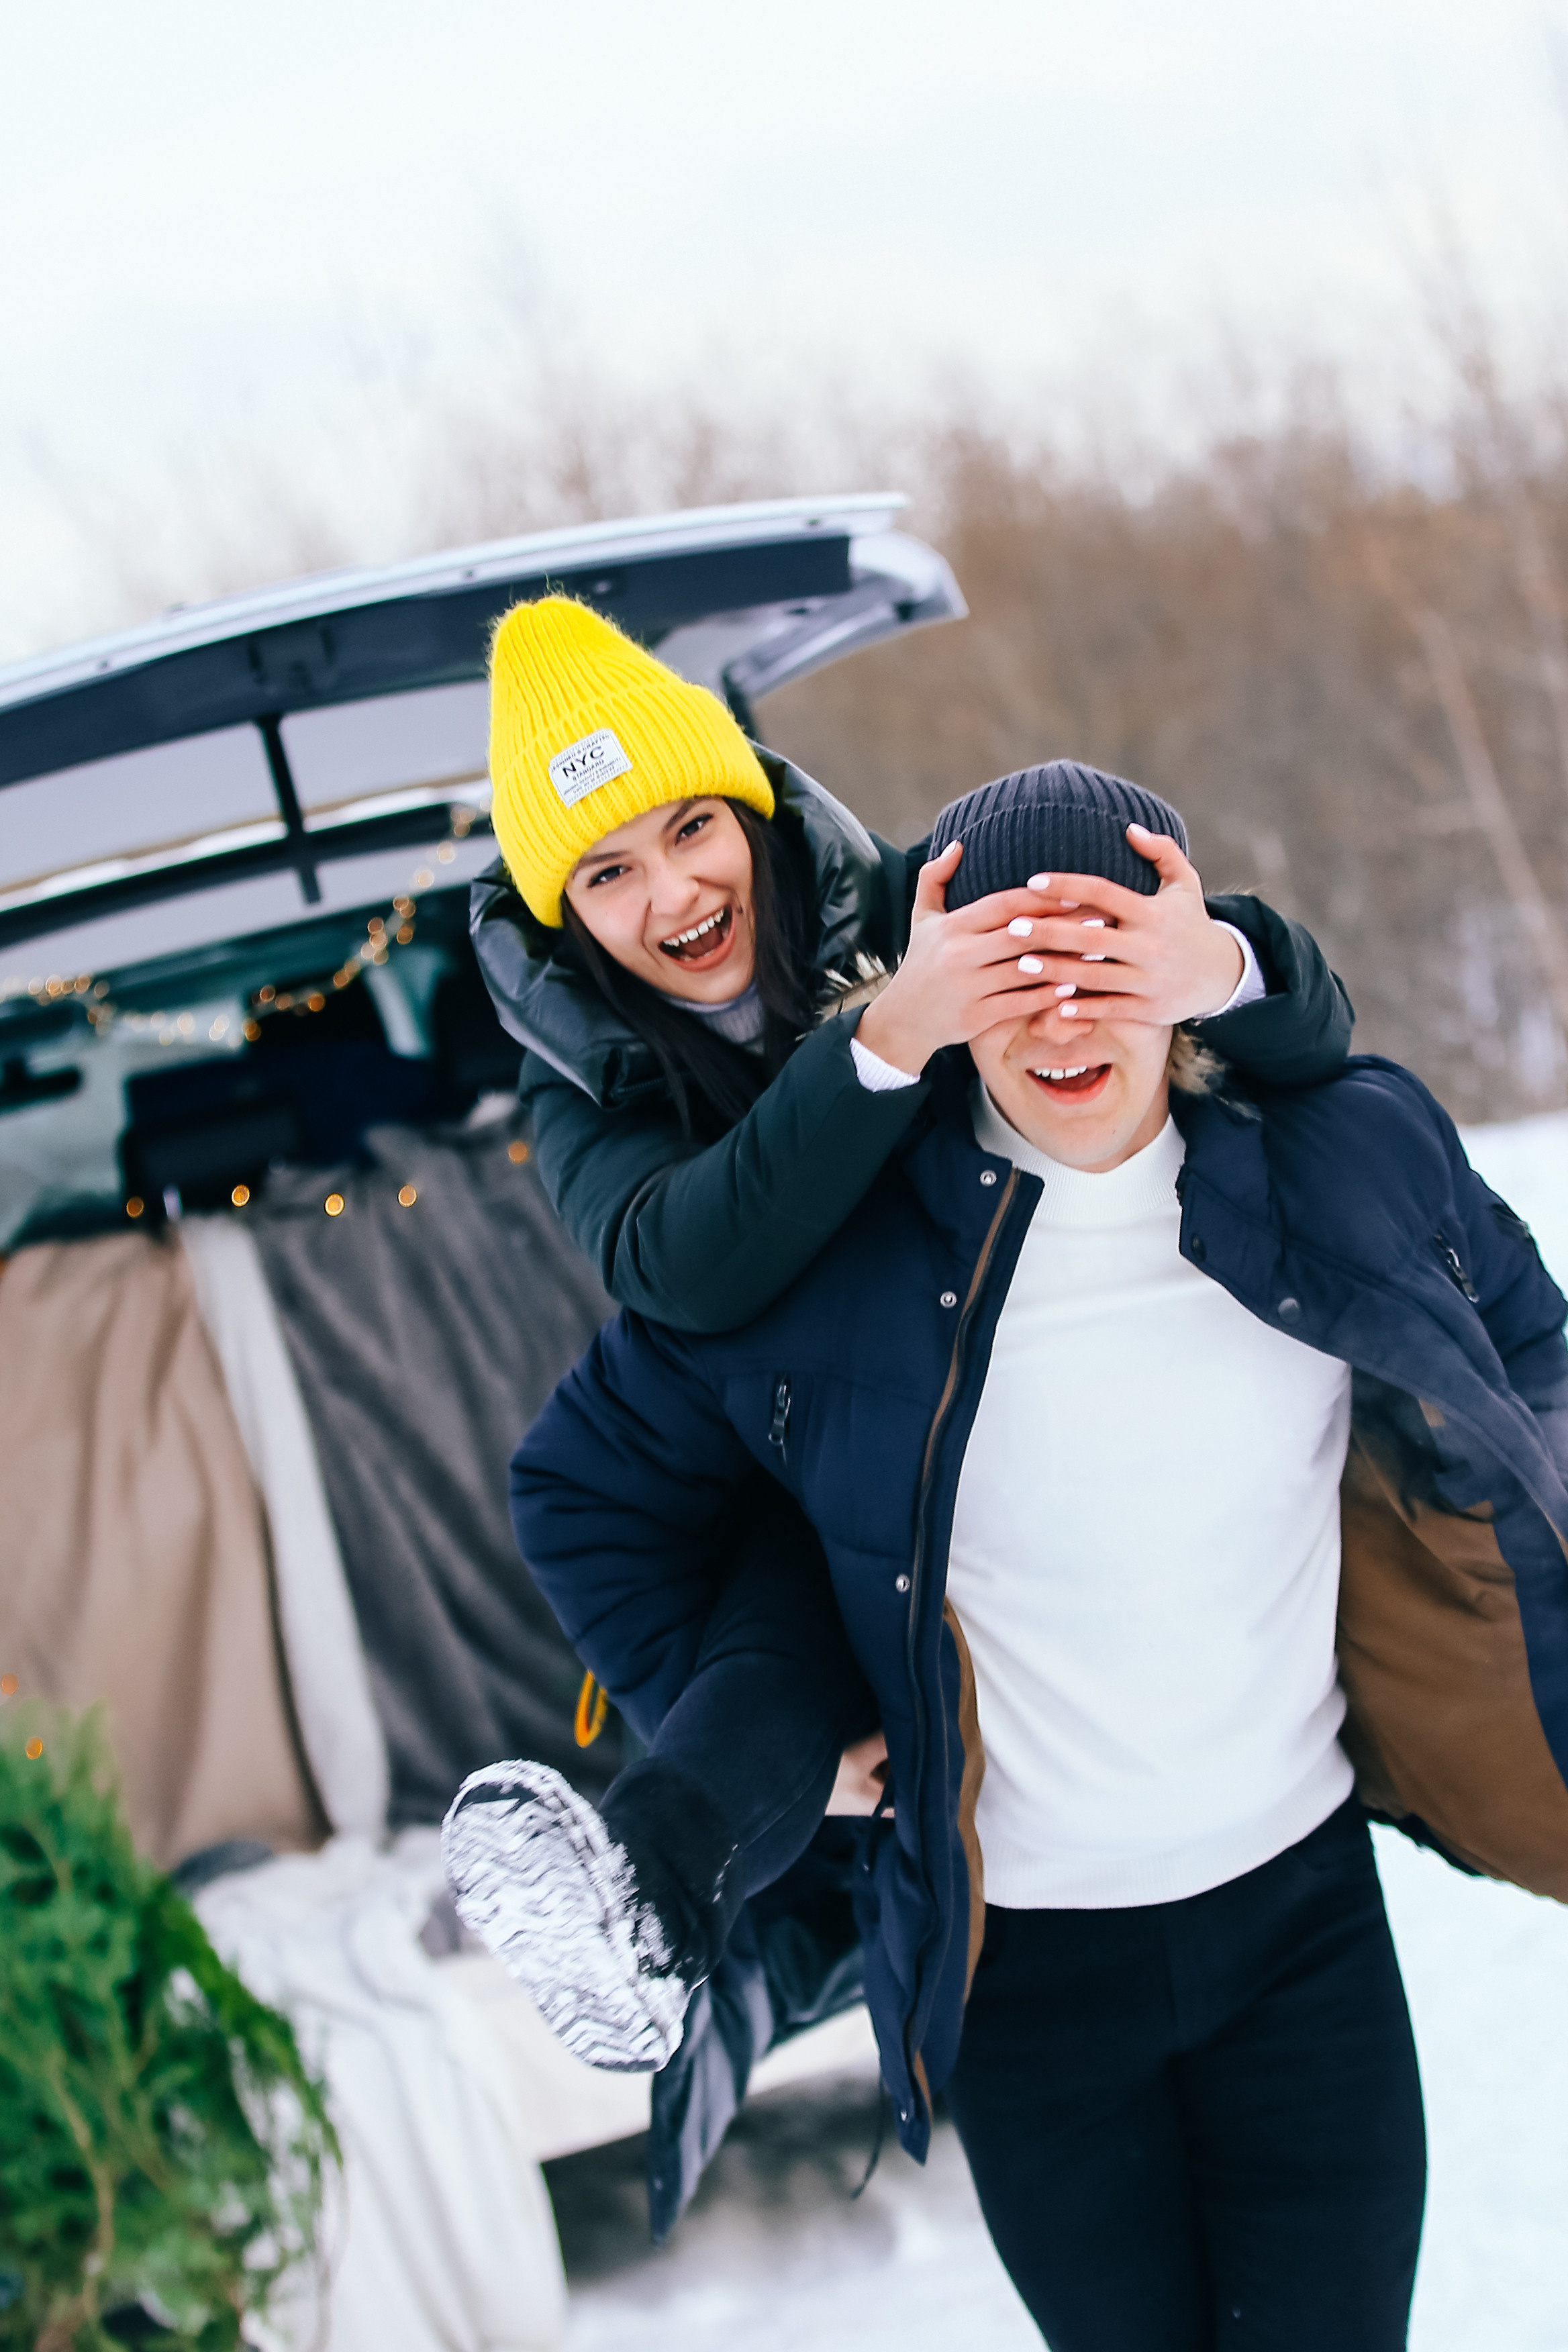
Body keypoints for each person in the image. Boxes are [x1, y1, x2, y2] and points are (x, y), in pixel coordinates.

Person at [456, 758, 1568, 2347]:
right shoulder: (838, 1239)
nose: (1061, 1024)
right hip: (1024, 1978)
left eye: (1105, 968)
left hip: (1298, 1931)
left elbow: (1529, 1334)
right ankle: (660, 1869)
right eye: (1013, 979)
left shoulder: (1333, 1158)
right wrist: (775, 1743)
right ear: (944, 989)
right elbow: (580, 1483)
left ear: (1179, 972)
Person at [449, 601, 1355, 2075]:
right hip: (810, 1471)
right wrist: (800, 1772)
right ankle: (648, 1906)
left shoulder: (908, 904)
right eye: (607, 873)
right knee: (778, 1625)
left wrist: (1222, 964)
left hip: (1016, 1419)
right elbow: (685, 1264)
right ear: (568, 915)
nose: (670, 891)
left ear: (749, 806)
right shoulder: (579, 1070)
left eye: (690, 829)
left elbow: (1291, 1032)